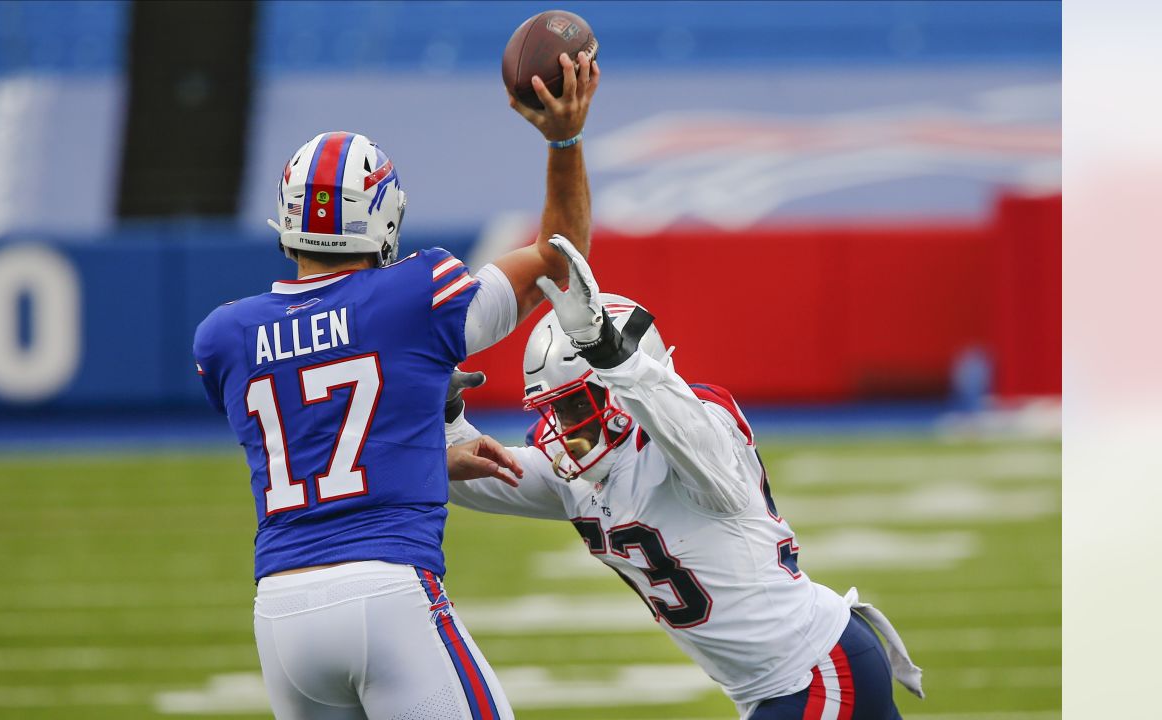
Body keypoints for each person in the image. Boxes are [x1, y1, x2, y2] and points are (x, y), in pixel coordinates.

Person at [192, 52, 599, 720]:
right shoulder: (419, 293)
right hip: (388, 593)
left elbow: (311, 445)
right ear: (382, 214)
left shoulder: (224, 337)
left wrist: (423, 454)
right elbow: (562, 259)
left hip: (282, 612)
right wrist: (564, 139)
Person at [446, 237, 925, 719]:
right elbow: (465, 474)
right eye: (554, 409)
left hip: (814, 669)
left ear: (615, 384)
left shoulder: (695, 434)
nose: (564, 427)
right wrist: (445, 414)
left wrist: (617, 360)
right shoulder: (574, 471)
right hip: (774, 685)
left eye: (572, 405)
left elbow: (692, 440)